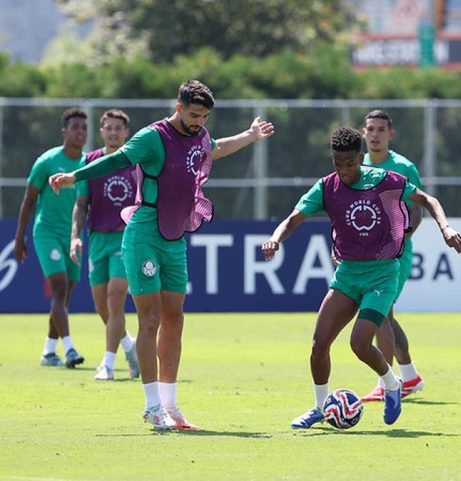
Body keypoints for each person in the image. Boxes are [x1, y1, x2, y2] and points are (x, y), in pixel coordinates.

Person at [49, 80, 275, 430]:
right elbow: (115, 161)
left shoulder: (199, 136)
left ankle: (171, 406)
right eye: (194, 115)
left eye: (204, 116)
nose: (199, 122)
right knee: (150, 319)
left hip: (175, 237)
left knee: (175, 319)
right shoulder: (152, 137)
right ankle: (152, 406)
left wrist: (250, 135)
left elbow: (215, 149)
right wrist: (74, 176)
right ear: (178, 107)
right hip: (143, 234)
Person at [263, 127, 461, 429]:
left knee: (359, 344)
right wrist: (275, 238)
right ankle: (320, 407)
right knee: (319, 344)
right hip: (348, 275)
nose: (343, 170)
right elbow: (293, 219)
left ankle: (392, 384)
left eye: (349, 163)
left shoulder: (384, 180)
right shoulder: (326, 187)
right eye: (337, 163)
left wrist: (446, 228)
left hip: (382, 275)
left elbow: (428, 200)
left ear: (360, 158)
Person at [359, 110, 426, 402]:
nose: (375, 135)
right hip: (366, 253)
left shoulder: (402, 167)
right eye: (370, 129)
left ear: (391, 134)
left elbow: (417, 210)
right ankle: (409, 376)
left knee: (380, 313)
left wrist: (399, 240)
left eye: (381, 130)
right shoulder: (358, 165)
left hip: (395, 254)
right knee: (385, 314)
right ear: (363, 133)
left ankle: (386, 384)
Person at [14, 108, 88, 369]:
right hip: (46, 232)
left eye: (84, 128)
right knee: (59, 288)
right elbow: (29, 200)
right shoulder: (47, 161)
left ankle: (48, 351)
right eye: (75, 127)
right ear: (64, 131)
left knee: (65, 295)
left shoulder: (88, 164)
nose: (80, 132)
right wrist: (19, 237)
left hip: (73, 236)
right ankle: (69, 349)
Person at [70, 109, 140, 381]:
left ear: (126, 133)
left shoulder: (136, 161)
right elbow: (81, 204)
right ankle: (130, 347)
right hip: (97, 238)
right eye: (108, 128)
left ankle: (107, 365)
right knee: (102, 307)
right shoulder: (90, 161)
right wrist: (75, 236)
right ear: (101, 132)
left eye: (118, 128)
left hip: (125, 238)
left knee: (115, 298)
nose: (113, 133)